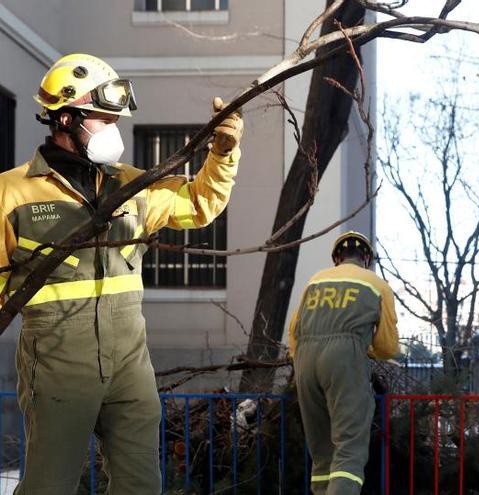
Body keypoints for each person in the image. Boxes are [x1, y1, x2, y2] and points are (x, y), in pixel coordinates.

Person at [5, 53, 243, 493]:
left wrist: (222, 154)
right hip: (57, 364)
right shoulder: (11, 192)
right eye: (102, 118)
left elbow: (197, 204)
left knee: (141, 486)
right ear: (65, 117)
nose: (113, 129)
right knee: (48, 486)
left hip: (130, 364)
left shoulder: (134, 186)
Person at [288, 231, 399, 495]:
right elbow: (388, 347)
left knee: (322, 453)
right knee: (349, 449)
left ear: (337, 258)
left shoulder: (315, 281)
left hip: (304, 361)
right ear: (366, 258)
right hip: (344, 359)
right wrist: (364, 350)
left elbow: (293, 334)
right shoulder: (376, 284)